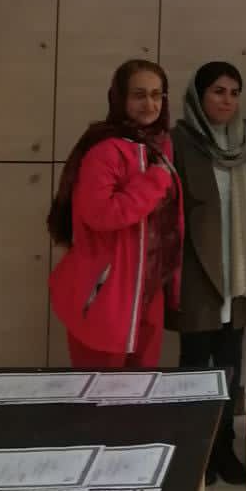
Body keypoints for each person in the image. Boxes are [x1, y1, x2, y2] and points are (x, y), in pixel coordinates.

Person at [48, 60, 182, 369]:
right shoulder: (105, 150)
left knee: (139, 390)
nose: (150, 104)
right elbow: (102, 215)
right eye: (139, 95)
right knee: (100, 391)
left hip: (147, 290)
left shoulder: (159, 147)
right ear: (120, 98)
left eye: (157, 95)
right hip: (106, 291)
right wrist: (155, 180)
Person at [171, 62, 246, 485]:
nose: (227, 100)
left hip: (238, 272)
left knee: (230, 366)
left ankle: (224, 446)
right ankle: (195, 451)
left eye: (234, 92)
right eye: (218, 91)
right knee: (194, 365)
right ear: (199, 95)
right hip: (197, 270)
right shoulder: (179, 141)